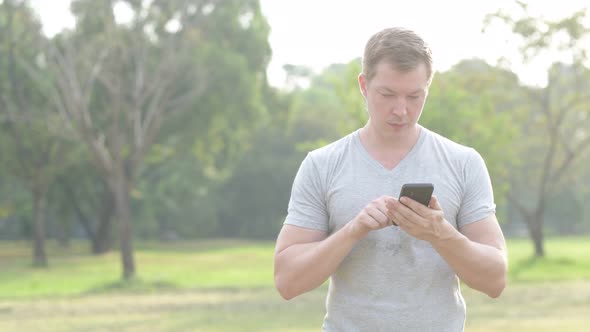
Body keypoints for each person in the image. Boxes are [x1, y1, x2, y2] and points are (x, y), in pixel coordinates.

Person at [273, 27, 507, 331]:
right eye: (388, 94)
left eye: (414, 96)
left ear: (428, 89)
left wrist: (439, 233)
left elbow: (495, 280)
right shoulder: (322, 165)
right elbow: (287, 282)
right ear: (363, 85)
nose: (401, 110)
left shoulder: (464, 163)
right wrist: (353, 231)